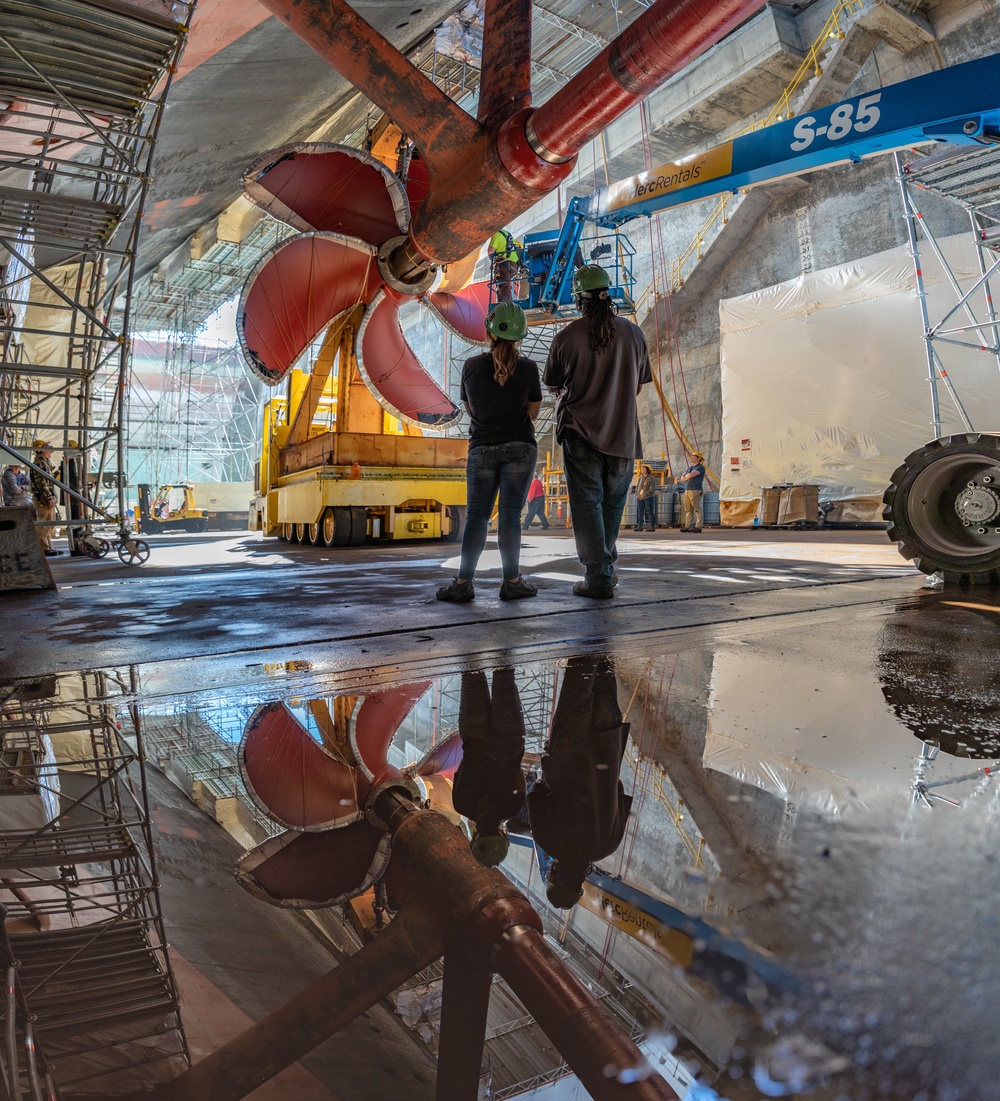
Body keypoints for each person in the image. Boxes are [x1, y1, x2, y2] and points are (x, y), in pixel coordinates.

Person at [543, 264, 652, 598]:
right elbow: (636, 388)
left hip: (579, 433)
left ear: (579, 300)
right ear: (609, 295)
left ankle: (598, 577)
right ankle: (604, 569)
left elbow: (553, 386)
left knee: (588, 505)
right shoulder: (634, 335)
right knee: (612, 506)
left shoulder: (565, 338)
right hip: (622, 433)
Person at [437, 303, 541, 603]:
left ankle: (462, 583)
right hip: (520, 447)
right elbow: (532, 413)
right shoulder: (529, 368)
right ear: (520, 336)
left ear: (488, 333)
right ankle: (511, 581)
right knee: (510, 516)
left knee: (477, 517)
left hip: (481, 447)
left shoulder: (471, 366)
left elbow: (470, 408)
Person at [527, 655, 632, 909]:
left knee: (605, 664)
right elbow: (536, 792)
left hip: (606, 741)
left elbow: (619, 790)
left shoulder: (609, 845)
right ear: (556, 875)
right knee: (581, 669)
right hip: (568, 749)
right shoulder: (546, 838)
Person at [30, 440, 61, 556]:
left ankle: (49, 547)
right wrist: (48, 498)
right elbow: (41, 482)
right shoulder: (39, 463)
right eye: (46, 446)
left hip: (48, 497)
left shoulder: (45, 462)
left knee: (49, 523)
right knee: (43, 523)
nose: (50, 447)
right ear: (41, 450)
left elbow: (48, 480)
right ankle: (44, 548)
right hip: (43, 499)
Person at [487, 228, 522, 305]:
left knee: (503, 286)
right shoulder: (506, 233)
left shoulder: (495, 235)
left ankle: (506, 307)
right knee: (501, 286)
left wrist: (493, 261)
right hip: (514, 265)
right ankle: (502, 305)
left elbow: (490, 251)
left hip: (505, 265)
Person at [680, 450, 706, 532]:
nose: (692, 457)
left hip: (695, 489)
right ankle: (688, 525)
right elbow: (682, 478)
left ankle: (699, 526)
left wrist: (686, 476)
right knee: (688, 509)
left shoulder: (700, 467)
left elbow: (690, 475)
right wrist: (686, 476)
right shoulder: (690, 468)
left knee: (696, 508)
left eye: (694, 456)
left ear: (699, 458)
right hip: (687, 489)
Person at [634, 463, 657, 532]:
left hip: (648, 498)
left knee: (650, 512)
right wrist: (637, 495)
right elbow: (638, 487)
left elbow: (652, 489)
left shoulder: (651, 478)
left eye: (644, 469)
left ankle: (652, 526)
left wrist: (646, 494)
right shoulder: (641, 478)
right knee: (640, 512)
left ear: (647, 470)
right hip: (640, 498)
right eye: (641, 469)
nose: (642, 470)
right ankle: (639, 526)